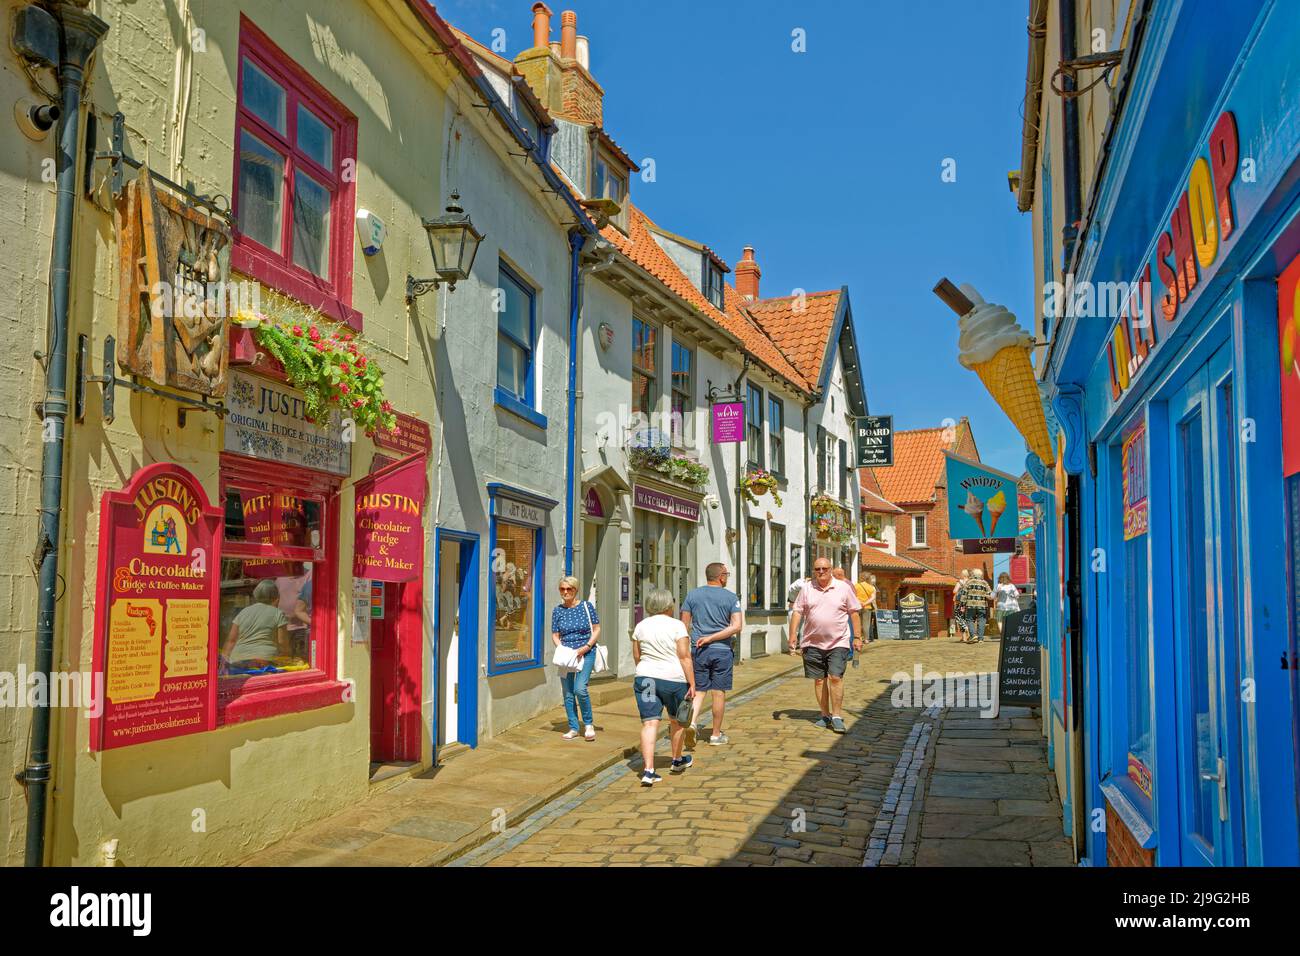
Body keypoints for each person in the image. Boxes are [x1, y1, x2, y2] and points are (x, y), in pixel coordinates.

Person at [788, 557, 862, 734]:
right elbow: (798, 611)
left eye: (824, 568)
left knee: (835, 677)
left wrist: (857, 637)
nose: (821, 572)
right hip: (812, 642)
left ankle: (836, 715)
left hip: (839, 641)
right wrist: (792, 635)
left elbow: (854, 613)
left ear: (830, 569)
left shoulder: (843, 587)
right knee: (820, 679)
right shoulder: (807, 588)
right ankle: (825, 714)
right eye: (817, 569)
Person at [631, 588, 696, 786]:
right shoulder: (677, 626)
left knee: (650, 723)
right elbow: (684, 656)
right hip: (674, 680)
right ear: (669, 605)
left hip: (646, 678)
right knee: (676, 721)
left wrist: (646, 670)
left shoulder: (641, 626)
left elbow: (637, 655)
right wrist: (692, 683)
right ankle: (677, 760)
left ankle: (648, 770)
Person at [680, 562, 742, 748]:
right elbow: (737, 626)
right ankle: (715, 735)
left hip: (698, 649)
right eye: (727, 574)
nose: (727, 577)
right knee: (718, 693)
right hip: (722, 651)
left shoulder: (692, 595)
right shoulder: (731, 598)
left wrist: (696, 642)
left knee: (698, 690)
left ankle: (692, 722)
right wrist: (712, 638)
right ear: (721, 576)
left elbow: (683, 626)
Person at [550, 576, 601, 740]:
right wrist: (561, 649)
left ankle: (588, 724)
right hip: (567, 656)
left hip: (586, 652)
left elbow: (596, 628)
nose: (565, 592)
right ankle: (573, 727)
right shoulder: (557, 610)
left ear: (575, 590)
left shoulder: (586, 606)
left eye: (569, 589)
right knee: (568, 693)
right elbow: (555, 634)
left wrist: (586, 647)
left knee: (580, 688)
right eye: (562, 589)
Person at [222, 579, 289, 668]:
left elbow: (231, 641)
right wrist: (288, 657)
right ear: (276, 596)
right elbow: (282, 643)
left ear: (256, 594)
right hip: (265, 662)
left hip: (237, 661)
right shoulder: (278, 613)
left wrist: (223, 664)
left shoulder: (243, 612)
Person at [962, 568, 993, 643]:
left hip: (970, 605)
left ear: (973, 574)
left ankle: (973, 635)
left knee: (969, 619)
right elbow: (990, 594)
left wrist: (962, 604)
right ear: (980, 575)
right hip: (982, 605)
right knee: (982, 620)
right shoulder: (984, 583)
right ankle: (980, 638)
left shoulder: (969, 582)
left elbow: (964, 594)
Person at [855, 573, 878, 643]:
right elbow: (873, 597)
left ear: (861, 578)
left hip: (857, 606)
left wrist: (860, 602)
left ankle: (858, 638)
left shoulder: (856, 585)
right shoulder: (871, 587)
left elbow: (853, 595)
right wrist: (865, 603)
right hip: (867, 607)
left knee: (857, 623)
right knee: (866, 624)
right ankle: (866, 639)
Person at [952, 569, 971, 641]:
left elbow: (955, 591)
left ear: (962, 574)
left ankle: (965, 633)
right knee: (966, 618)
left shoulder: (960, 582)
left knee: (959, 617)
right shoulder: (970, 582)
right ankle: (967, 636)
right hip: (968, 603)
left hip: (960, 603)